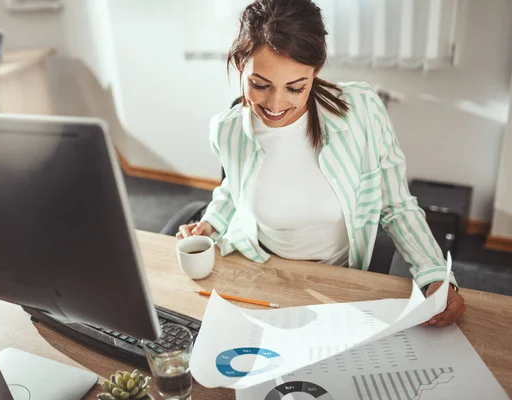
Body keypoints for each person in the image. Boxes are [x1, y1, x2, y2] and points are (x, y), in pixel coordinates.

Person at [176, 0, 465, 327]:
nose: (275, 104)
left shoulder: (362, 112)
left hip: (337, 280)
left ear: (317, 70)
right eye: (260, 84)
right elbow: (235, 186)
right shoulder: (226, 129)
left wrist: (434, 274)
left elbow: (396, 205)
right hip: (259, 272)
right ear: (240, 65)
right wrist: (211, 223)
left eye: (295, 88)